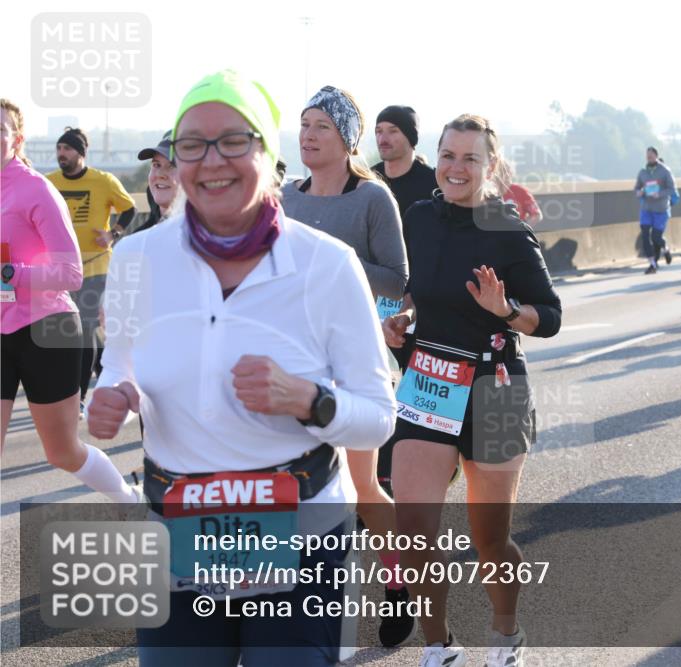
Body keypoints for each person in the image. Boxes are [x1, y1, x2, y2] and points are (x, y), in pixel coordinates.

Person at [89, 69, 396, 665]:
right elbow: (119, 367)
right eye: (192, 144)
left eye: (234, 140)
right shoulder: (135, 259)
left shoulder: (327, 265)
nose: (212, 161)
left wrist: (311, 401)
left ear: (267, 150)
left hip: (302, 539)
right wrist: (113, 399)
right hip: (180, 536)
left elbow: (379, 417)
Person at [382, 114, 561, 667]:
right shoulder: (417, 217)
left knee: (490, 542)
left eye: (469, 159)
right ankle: (439, 646)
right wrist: (404, 317)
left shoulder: (506, 227)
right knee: (411, 531)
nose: (456, 168)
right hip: (430, 381)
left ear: (490, 166)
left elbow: (549, 316)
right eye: (448, 156)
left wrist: (505, 310)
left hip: (496, 389)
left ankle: (506, 634)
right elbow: (416, 289)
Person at [280, 85, 414, 648]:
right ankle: (284, 602)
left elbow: (398, 278)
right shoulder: (288, 197)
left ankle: (399, 584)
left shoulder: (372, 198)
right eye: (305, 125)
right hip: (293, 361)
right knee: (287, 485)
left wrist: (339, 263)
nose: (308, 136)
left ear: (345, 139)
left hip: (356, 362)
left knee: (362, 487)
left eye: (321, 128)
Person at [1, 98, 139, 504]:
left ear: (17, 140)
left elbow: (70, 273)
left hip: (47, 328)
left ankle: (130, 503)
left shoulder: (36, 189)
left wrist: (10, 274)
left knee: (62, 452)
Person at [46, 127, 136, 412]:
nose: (62, 154)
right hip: (60, 269)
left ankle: (79, 398)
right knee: (81, 332)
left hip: (96, 266)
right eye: (59, 149)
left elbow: (130, 208)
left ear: (81, 153)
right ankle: (110, 377)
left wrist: (114, 234)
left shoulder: (103, 181)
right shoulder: (48, 183)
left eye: (67, 149)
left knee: (84, 329)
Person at [373, 105, 438, 220]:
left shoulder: (434, 186)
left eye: (393, 131)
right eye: (379, 131)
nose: (382, 139)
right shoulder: (368, 180)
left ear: (411, 137)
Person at [634, 147, 676, 274]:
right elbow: (636, 188)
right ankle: (652, 264)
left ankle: (666, 249)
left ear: (656, 156)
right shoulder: (642, 172)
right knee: (645, 235)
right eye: (647, 156)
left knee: (656, 236)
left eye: (651, 156)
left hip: (660, 209)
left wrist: (660, 194)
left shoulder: (665, 171)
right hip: (646, 208)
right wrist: (639, 192)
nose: (649, 158)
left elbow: (672, 189)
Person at [134, 131, 183, 233]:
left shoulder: (207, 240)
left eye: (172, 165)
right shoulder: (138, 242)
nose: (160, 174)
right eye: (156, 165)